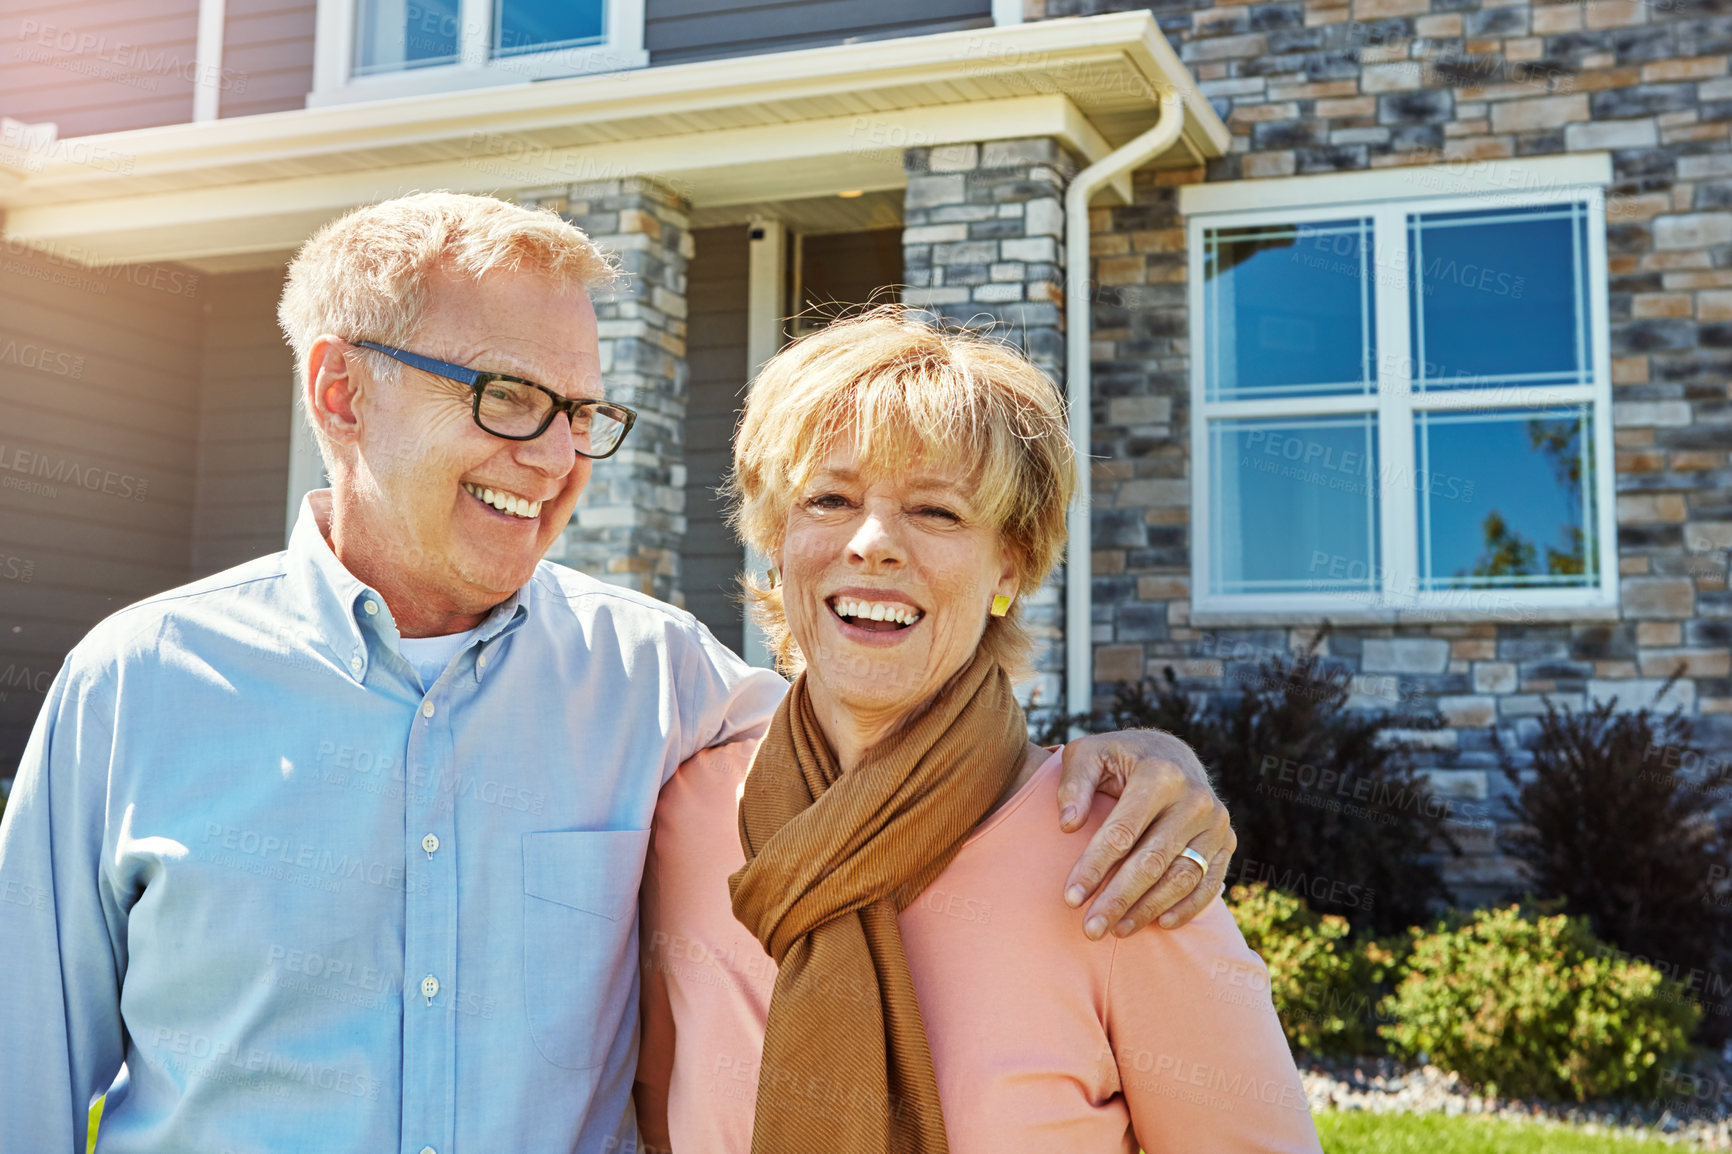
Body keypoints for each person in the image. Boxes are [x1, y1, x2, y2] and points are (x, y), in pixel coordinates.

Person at [0, 192, 1236, 1153]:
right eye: (507, 398)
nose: (554, 456)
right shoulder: (139, 685)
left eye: (582, 412)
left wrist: (1153, 762)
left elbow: (893, 720)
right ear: (341, 392)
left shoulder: (660, 689)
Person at [636, 306, 1321, 1154]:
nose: (874, 543)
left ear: (1010, 565)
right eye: (829, 499)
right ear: (776, 539)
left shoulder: (1121, 856)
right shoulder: (687, 817)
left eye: (937, 512)